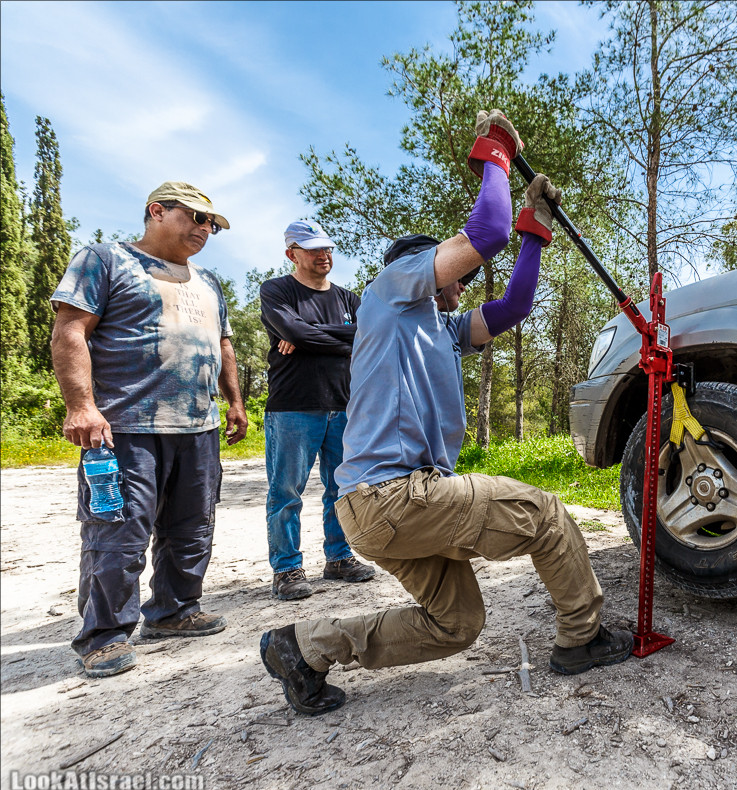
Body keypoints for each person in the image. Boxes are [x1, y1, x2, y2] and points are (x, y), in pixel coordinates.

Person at [260, 111, 633, 715]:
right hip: (393, 496)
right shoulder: (390, 291)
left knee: (456, 623)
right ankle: (583, 638)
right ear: (425, 268)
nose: (466, 281)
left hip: (380, 508)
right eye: (455, 271)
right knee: (546, 514)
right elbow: (484, 233)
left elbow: (512, 307)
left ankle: (303, 648)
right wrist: (496, 155)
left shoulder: (440, 327)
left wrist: (533, 234)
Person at [50, 181, 248, 678]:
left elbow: (223, 346)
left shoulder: (208, 282)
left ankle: (175, 612)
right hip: (126, 427)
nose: (205, 229)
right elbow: (71, 330)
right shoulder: (105, 260)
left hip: (197, 428)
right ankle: (104, 636)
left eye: (212, 224)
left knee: (192, 526)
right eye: (196, 218)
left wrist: (235, 404)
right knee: (118, 531)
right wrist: (81, 406)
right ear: (157, 211)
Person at [259, 221, 375, 600]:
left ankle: (339, 558)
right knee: (286, 491)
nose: (323, 255)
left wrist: (306, 335)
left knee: (340, 489)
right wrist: (302, 334)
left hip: (344, 405)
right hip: (293, 406)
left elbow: (367, 336)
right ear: (292, 253)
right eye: (312, 249)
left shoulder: (349, 298)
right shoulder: (277, 290)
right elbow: (297, 332)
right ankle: (288, 569)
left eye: (327, 248)